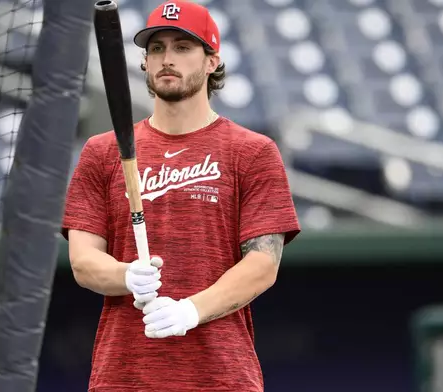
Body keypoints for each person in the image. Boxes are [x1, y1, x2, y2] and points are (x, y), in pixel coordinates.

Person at [61, 1, 301, 391]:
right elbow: (83, 262)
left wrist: (192, 309)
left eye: (182, 47)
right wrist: (125, 276)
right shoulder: (102, 152)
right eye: (157, 48)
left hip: (221, 376)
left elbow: (262, 265)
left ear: (211, 61)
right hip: (124, 377)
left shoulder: (252, 151)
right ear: (144, 62)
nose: (166, 58)